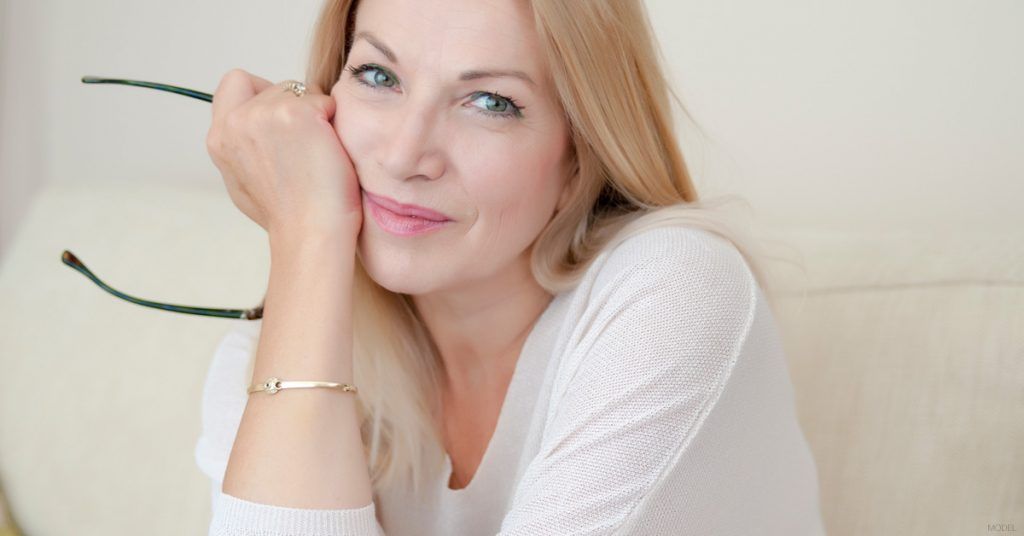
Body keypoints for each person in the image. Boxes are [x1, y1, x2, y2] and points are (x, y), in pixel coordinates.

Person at [195, 0, 827, 534]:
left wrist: (307, 238)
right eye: (379, 77)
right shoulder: (275, 358)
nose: (404, 153)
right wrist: (311, 242)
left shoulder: (674, 291)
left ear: (580, 155)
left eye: (491, 102)